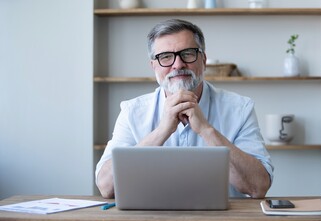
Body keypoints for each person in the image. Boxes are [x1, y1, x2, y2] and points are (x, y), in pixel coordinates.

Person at [95, 19, 274, 199]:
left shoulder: (240, 109)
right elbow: (106, 187)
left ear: (203, 60)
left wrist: (206, 130)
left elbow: (258, 187)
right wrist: (161, 131)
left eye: (187, 54)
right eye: (165, 56)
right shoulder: (132, 112)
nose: (178, 64)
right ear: (153, 66)